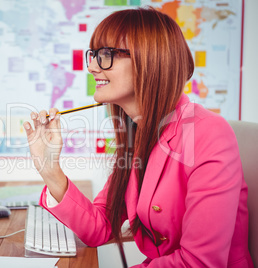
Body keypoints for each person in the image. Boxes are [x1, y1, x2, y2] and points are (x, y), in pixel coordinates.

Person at [23, 7, 253, 267]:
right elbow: (100, 228)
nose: (91, 66)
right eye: (94, 55)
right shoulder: (137, 133)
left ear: (150, 60)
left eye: (106, 55)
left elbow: (199, 262)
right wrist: (50, 169)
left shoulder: (208, 135)